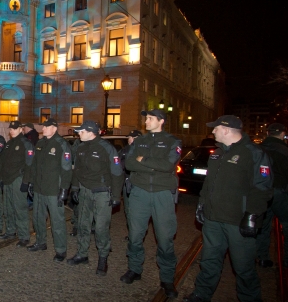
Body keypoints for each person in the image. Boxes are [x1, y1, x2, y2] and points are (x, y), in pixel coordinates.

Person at [184, 115, 273, 302]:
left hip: (238, 221)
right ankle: (202, 294)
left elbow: (262, 187)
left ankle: (250, 298)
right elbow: (208, 184)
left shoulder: (254, 153)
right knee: (209, 261)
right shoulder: (217, 153)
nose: (213, 131)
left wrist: (252, 216)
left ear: (226, 130)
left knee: (243, 267)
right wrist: (202, 204)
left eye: (215, 128)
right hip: (213, 219)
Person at [122, 109, 182, 298]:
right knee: (135, 234)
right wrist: (152, 163)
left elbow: (168, 165)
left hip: (162, 193)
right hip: (140, 192)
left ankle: (167, 278)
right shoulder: (140, 141)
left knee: (165, 238)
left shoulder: (173, 142)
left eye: (149, 118)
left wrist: (144, 159)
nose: (145, 121)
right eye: (145, 118)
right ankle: (134, 269)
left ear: (161, 121)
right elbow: (129, 164)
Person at [67, 120, 124, 275]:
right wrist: (75, 188)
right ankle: (82, 254)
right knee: (83, 224)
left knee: (100, 228)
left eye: (82, 131)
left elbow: (117, 173)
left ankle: (103, 258)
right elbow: (76, 170)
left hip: (102, 192)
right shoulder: (80, 147)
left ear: (91, 132)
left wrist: (116, 196)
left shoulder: (106, 148)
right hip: (85, 190)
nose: (79, 134)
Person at [26, 118, 72, 262]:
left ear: (53, 128)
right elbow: (34, 165)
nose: (43, 129)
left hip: (54, 189)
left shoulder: (61, 144)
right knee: (38, 217)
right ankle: (41, 242)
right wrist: (31, 183)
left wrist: (64, 189)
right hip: (39, 188)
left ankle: (60, 250)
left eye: (45, 127)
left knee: (57, 221)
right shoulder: (40, 143)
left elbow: (66, 169)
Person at [256, 123, 288, 268]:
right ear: (282, 134)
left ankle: (263, 257)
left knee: (263, 225)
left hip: (262, 191)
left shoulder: (258, 149)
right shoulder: (285, 150)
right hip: (280, 191)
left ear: (268, 133)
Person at [0, 120, 34, 247]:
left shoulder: (26, 144)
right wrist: (2, 179)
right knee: (8, 207)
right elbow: (4, 163)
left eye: (14, 128)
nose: (12, 130)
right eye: (10, 129)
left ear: (21, 129)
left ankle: (24, 235)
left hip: (18, 179)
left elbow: (30, 164)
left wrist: (26, 181)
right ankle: (10, 231)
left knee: (20, 208)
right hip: (8, 179)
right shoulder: (9, 144)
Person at [119, 129, 142, 236]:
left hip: (139, 184)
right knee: (128, 210)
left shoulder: (143, 150)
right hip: (127, 182)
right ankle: (132, 234)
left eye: (130, 137)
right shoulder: (125, 150)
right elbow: (118, 164)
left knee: (137, 211)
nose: (128, 139)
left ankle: (136, 234)